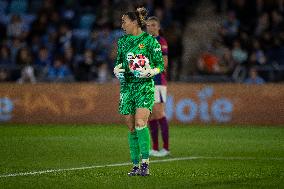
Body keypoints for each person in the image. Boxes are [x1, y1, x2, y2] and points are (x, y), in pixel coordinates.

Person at [113, 7, 164, 176]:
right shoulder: (122, 42)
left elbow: (160, 65)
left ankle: (145, 164)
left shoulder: (150, 41)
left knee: (140, 124)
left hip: (144, 87)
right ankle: (135, 165)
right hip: (127, 88)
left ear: (134, 22)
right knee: (131, 128)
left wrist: (151, 72)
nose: (122, 25)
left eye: (124, 21)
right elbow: (119, 62)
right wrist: (117, 70)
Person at [146, 16, 170, 157]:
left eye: (153, 25)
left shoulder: (161, 41)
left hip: (158, 82)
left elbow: (164, 62)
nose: (150, 27)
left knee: (159, 113)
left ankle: (166, 148)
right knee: (151, 116)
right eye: (148, 25)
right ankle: (155, 148)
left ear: (158, 27)